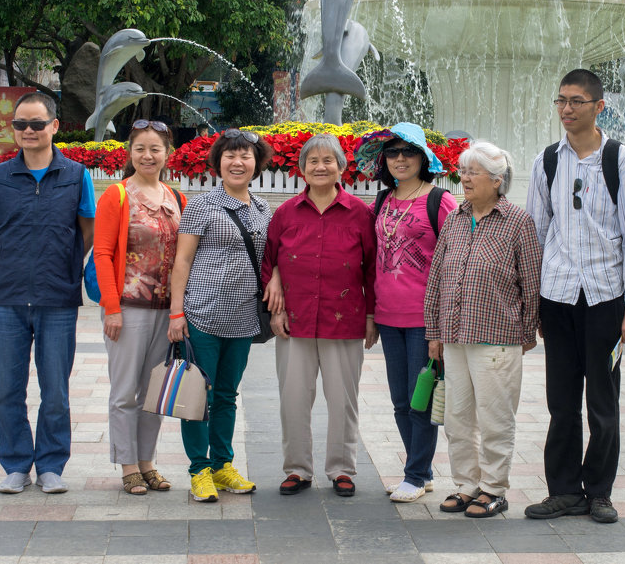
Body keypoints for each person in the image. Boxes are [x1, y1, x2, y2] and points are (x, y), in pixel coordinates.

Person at [524, 69, 625, 525]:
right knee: (561, 401)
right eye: (561, 100)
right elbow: (537, 232)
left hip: (605, 299)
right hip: (557, 297)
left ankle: (599, 491)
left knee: (602, 401)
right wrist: (534, 300)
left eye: (576, 101)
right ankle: (563, 492)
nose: (566, 109)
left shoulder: (622, 161)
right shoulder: (548, 161)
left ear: (599, 106)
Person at [0, 92, 96, 494]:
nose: (28, 131)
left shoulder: (77, 176)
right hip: (6, 299)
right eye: (21, 124)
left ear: (54, 126)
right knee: (7, 389)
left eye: (37, 124)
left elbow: (88, 231)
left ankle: (51, 465)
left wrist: (67, 264)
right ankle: (15, 464)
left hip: (58, 299)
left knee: (55, 391)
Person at [426, 141, 541, 518]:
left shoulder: (518, 221)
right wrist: (434, 332)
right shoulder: (455, 218)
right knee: (458, 418)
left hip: (498, 337)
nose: (465, 178)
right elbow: (437, 277)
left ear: (497, 180)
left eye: (473, 172)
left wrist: (526, 334)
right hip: (455, 336)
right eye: (463, 171)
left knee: (495, 418)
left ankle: (493, 488)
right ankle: (466, 485)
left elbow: (531, 282)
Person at [264, 133, 377, 498]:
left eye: (328, 160)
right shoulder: (285, 213)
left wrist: (372, 316)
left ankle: (341, 468)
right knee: (294, 398)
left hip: (343, 320)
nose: (320, 167)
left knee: (343, 400)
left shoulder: (360, 213)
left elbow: (373, 268)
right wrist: (275, 302)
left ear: (342, 167)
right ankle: (297, 468)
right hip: (294, 320)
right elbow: (268, 262)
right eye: (312, 161)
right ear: (301, 169)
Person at [352, 123, 457, 503]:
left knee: (421, 399)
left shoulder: (439, 200)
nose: (400, 159)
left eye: (408, 152)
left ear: (423, 158)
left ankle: (413, 475)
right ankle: (422, 470)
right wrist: (369, 315)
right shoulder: (381, 202)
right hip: (388, 316)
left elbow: (453, 263)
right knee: (400, 401)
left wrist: (442, 325)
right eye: (393, 152)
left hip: (424, 319)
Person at [168, 128, 273, 502]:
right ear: (217, 162)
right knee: (198, 395)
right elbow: (182, 260)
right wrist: (176, 312)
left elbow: (268, 261)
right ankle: (199, 469)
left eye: (245, 155)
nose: (237, 162)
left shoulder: (263, 209)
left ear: (257, 163)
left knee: (227, 394)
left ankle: (222, 465)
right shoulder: (200, 205)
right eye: (230, 155)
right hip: (202, 314)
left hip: (243, 317)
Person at [94, 120, 187, 495]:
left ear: (168, 153)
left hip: (166, 310)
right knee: (124, 391)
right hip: (128, 309)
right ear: (130, 152)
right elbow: (102, 253)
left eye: (155, 149)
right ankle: (128, 464)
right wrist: (111, 307)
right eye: (140, 149)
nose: (147, 156)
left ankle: (147, 462)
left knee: (154, 392)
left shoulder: (176, 197)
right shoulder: (117, 195)